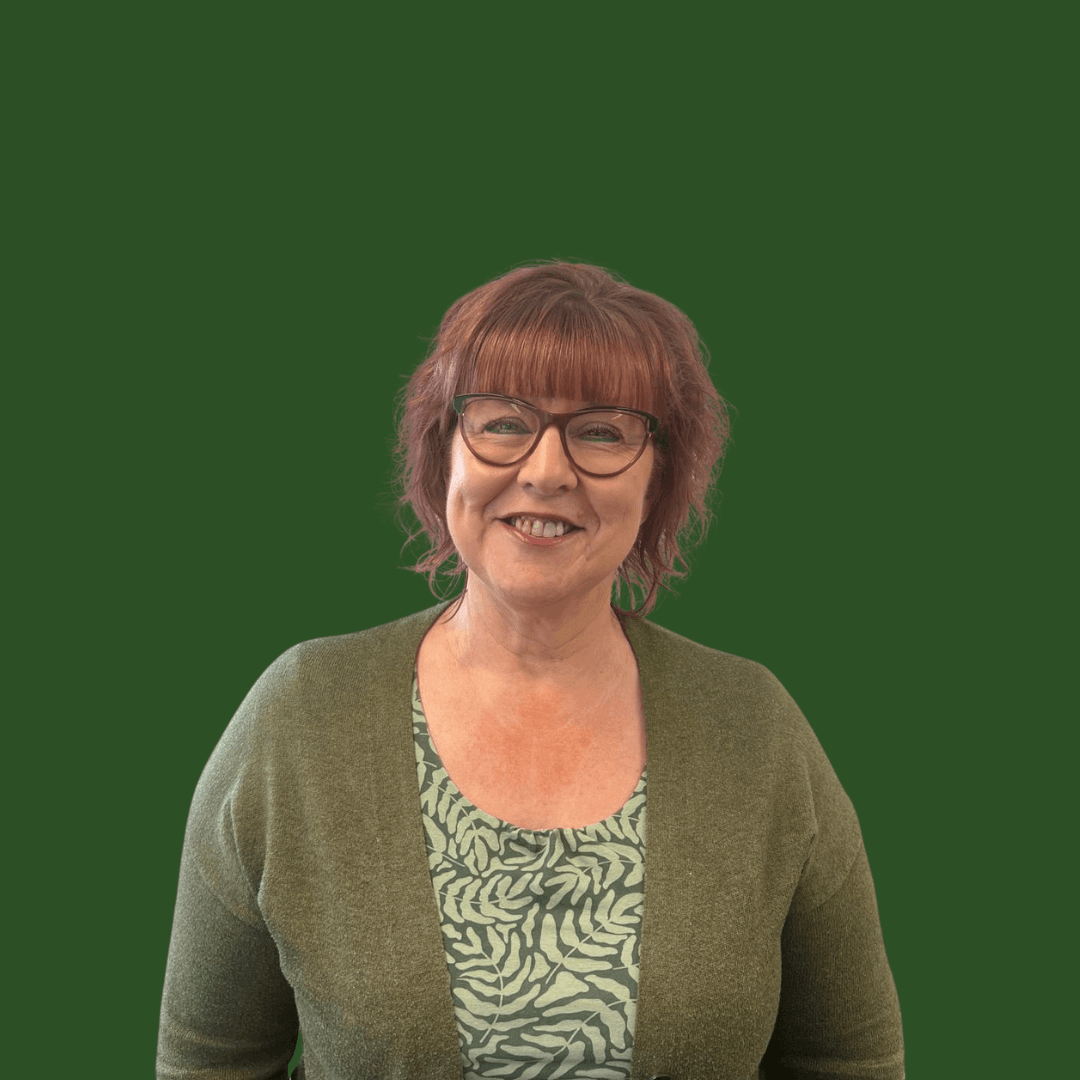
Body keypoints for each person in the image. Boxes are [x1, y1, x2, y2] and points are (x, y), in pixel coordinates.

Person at [157, 261, 905, 1079]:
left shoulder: (754, 727)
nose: (546, 470)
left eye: (602, 431)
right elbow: (209, 1063)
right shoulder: (300, 716)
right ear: (444, 453)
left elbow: (847, 1061)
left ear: (659, 478)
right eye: (504, 422)